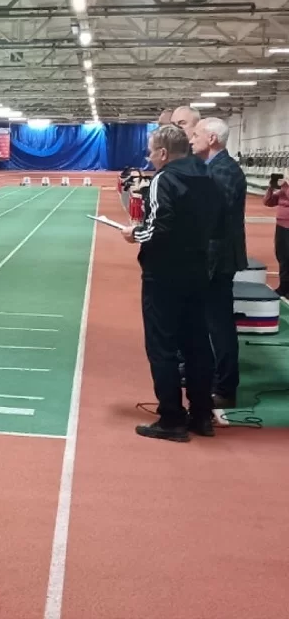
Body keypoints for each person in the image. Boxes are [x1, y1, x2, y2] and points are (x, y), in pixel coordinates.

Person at [121, 125, 221, 442]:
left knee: (162, 346)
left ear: (163, 152)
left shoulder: (163, 179)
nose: (149, 157)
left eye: (151, 151)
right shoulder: (207, 175)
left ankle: (172, 418)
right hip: (198, 270)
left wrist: (134, 234)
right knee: (197, 344)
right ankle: (202, 415)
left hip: (164, 273)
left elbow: (159, 227)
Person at [191, 117, 248, 409]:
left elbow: (214, 215)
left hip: (218, 259)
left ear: (212, 138)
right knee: (210, 322)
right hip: (212, 256)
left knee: (220, 325)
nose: (191, 139)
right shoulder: (213, 167)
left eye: (196, 134)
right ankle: (213, 378)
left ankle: (225, 388)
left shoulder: (223, 169)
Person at [264, 168, 289, 297]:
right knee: (282, 256)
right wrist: (270, 188)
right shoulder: (282, 191)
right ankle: (284, 285)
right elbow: (268, 202)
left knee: (287, 257)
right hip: (281, 226)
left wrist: (285, 186)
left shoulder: (285, 189)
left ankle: (286, 286)